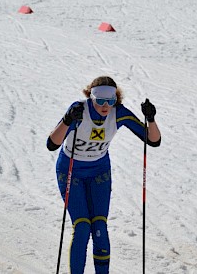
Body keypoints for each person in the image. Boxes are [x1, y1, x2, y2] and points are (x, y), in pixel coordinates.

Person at [47, 76, 161, 274]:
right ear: (91, 98)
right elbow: (52, 144)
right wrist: (67, 120)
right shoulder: (79, 110)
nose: (105, 106)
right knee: (82, 227)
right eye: (100, 101)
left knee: (99, 226)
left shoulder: (119, 113)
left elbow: (153, 141)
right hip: (71, 171)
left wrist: (150, 119)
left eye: (110, 101)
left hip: (99, 172)